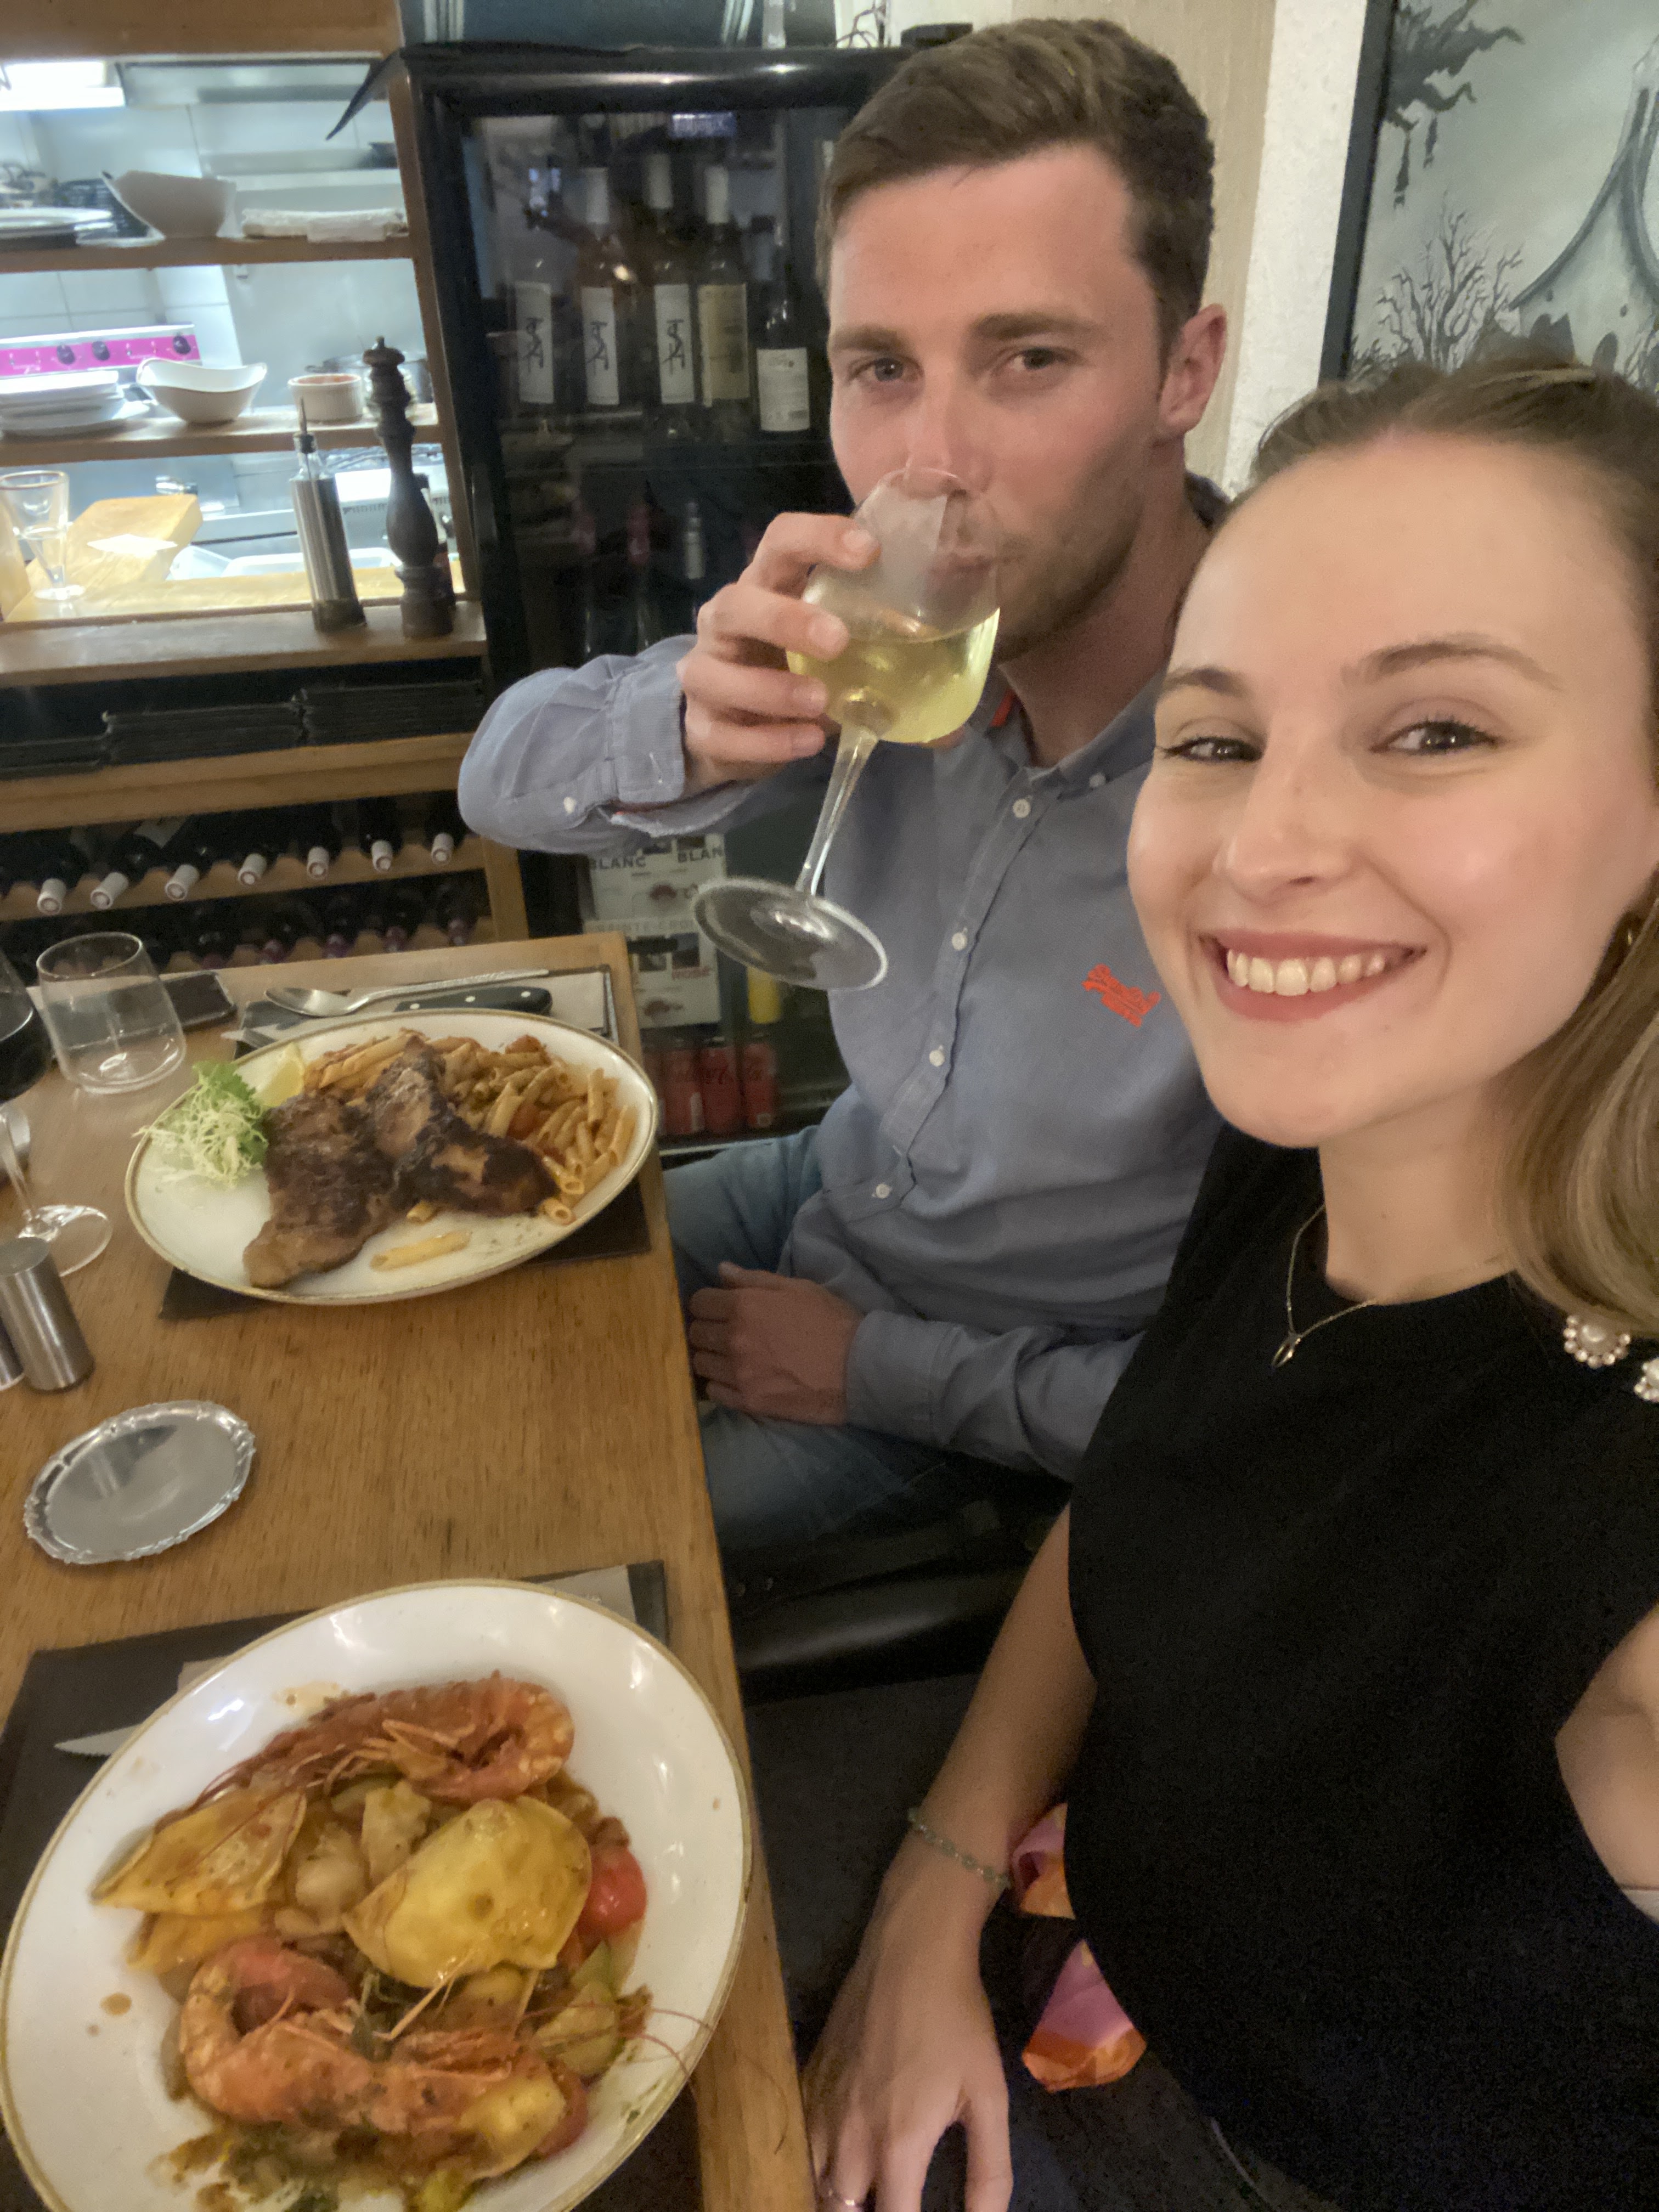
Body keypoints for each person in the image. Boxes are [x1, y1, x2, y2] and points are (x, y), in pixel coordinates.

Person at [799, 352, 1659, 2212]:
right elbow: (1152, 1498)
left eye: (1437, 731)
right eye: (1213, 740)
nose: (1262, 854)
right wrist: (939, 1886)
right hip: (1063, 1912)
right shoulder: (1303, 1137)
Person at [459, 20, 1228, 1549]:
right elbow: (501, 778)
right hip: (834, 1181)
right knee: (467, 1321)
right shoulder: (882, 637)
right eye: (883, 368)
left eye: (1028, 360)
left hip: (994, 1357)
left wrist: (877, 1369)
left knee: (557, 1540)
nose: (929, 462)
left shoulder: (1291, 776)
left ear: (1183, 371)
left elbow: (1265, 1408)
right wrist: (687, 724)